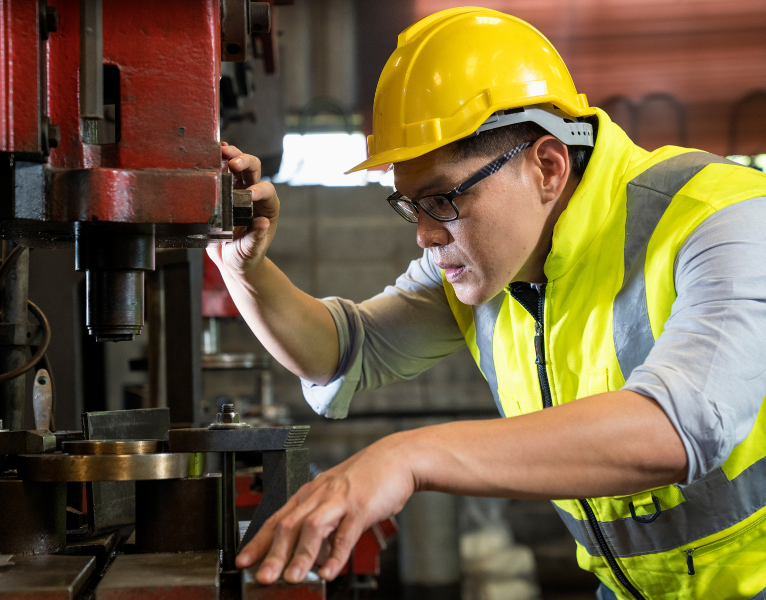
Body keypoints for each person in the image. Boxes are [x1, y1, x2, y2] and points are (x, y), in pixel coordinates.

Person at [208, 7, 766, 599]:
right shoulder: (491, 268)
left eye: (442, 199)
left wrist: (409, 456)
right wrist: (245, 268)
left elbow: (677, 425)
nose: (423, 233)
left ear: (547, 167)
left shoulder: (722, 218)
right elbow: (341, 351)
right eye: (409, 205)